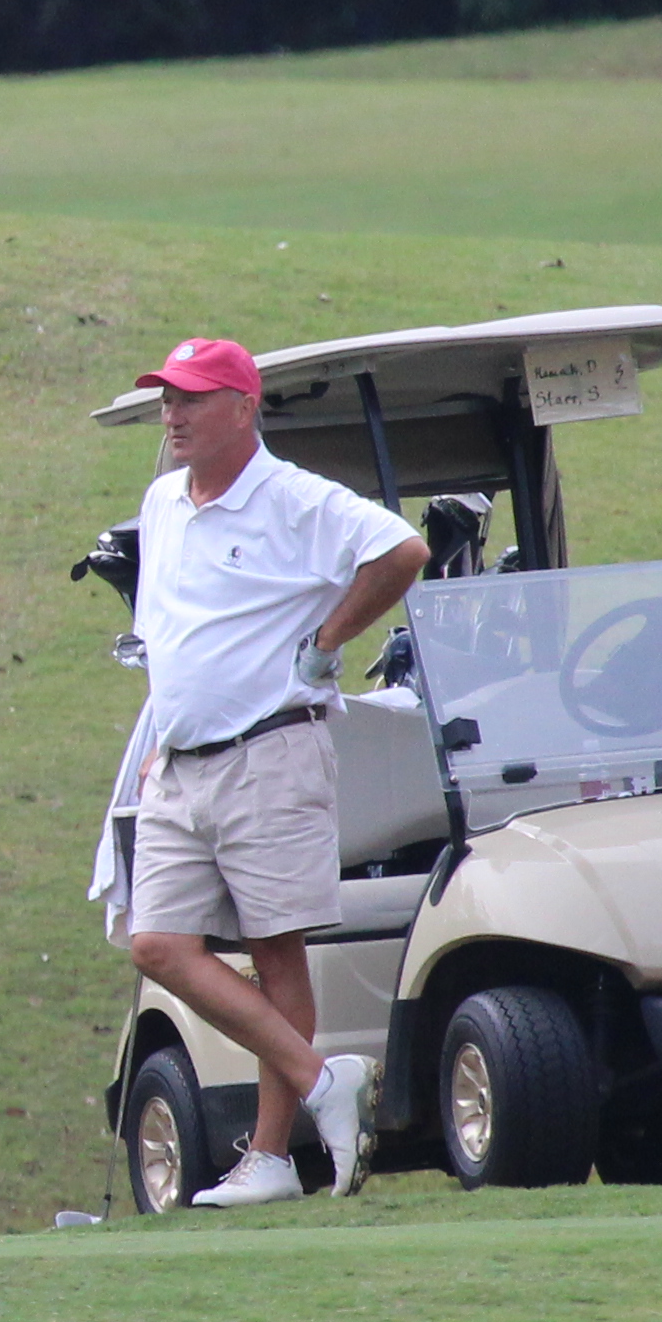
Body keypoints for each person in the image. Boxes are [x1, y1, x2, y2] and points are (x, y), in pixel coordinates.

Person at [119, 337, 426, 1210]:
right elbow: (169, 635)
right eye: (166, 398)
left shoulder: (293, 498)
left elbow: (401, 552)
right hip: (178, 762)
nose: (171, 415)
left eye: (191, 398)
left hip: (271, 749)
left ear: (242, 408)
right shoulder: (162, 501)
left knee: (274, 947)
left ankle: (270, 1159)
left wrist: (327, 645)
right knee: (160, 945)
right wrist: (160, 730)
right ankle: (322, 1078)